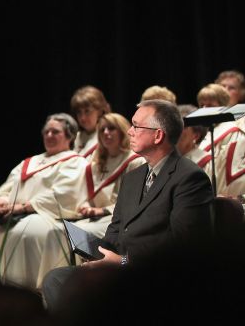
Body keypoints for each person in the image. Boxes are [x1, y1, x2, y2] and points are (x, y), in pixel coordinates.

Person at [42, 99, 213, 310]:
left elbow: (183, 245)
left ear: (158, 135)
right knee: (56, 279)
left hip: (154, 274)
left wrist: (124, 261)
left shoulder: (190, 177)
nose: (130, 131)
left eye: (136, 126)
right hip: (118, 269)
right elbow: (116, 228)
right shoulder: (132, 177)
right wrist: (100, 256)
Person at [0, 114, 87, 291]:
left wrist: (24, 207)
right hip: (14, 213)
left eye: (55, 132)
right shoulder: (30, 162)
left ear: (70, 136)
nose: (49, 135)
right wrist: (0, 201)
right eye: (46, 132)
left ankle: (22, 296)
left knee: (24, 231)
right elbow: (8, 186)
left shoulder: (75, 162)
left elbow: (65, 194)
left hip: (44, 214)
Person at [72, 113, 146, 239]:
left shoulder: (136, 161)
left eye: (111, 128)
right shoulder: (96, 163)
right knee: (65, 231)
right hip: (95, 217)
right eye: (102, 130)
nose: (106, 133)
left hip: (120, 219)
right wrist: (86, 206)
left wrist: (104, 210)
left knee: (81, 233)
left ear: (123, 131)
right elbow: (87, 194)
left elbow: (135, 201)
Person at [70, 85, 111, 157]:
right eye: (79, 112)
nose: (83, 118)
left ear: (100, 111)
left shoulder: (108, 135)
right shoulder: (76, 137)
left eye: (87, 111)